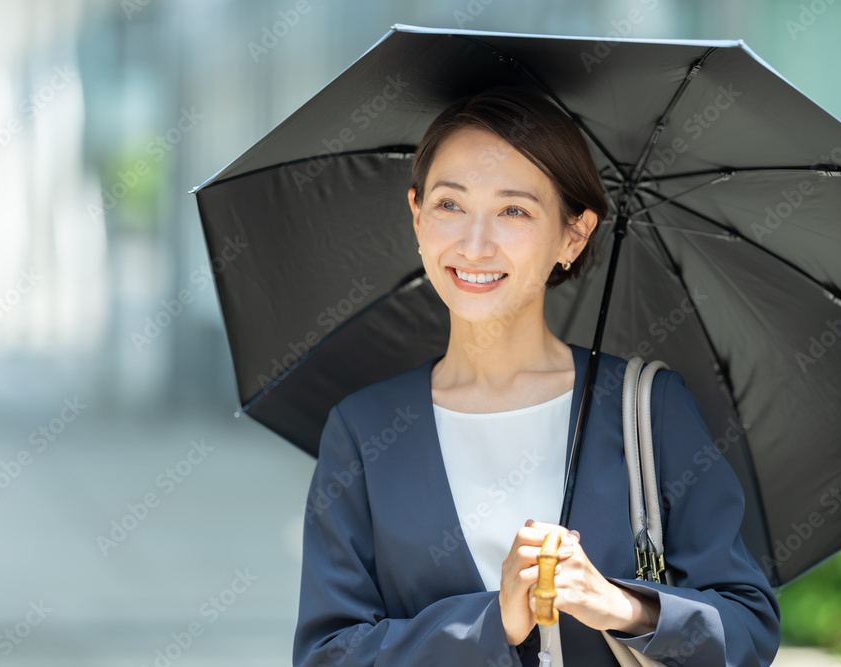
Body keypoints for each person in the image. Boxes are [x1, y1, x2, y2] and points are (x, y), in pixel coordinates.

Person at [292, 86, 781, 666]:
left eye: (514, 210)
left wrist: (624, 608)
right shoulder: (363, 431)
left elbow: (747, 630)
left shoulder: (649, 409)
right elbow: (327, 655)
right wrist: (491, 620)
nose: (474, 245)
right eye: (450, 205)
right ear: (417, 215)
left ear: (574, 235)